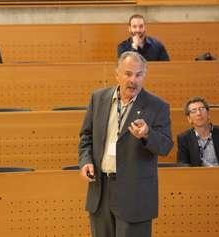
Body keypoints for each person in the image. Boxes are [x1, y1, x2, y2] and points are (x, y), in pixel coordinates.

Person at [78, 51, 173, 237]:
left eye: (139, 75)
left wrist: (147, 134)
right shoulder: (98, 98)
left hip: (135, 195)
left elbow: (166, 146)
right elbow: (86, 136)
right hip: (101, 189)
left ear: (144, 76)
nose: (133, 80)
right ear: (117, 74)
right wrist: (85, 161)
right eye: (128, 74)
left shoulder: (157, 106)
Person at [177, 97, 219, 166]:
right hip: (197, 176)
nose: (198, 113)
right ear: (189, 119)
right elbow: (183, 164)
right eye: (194, 110)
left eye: (202, 109)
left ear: (208, 114)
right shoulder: (184, 138)